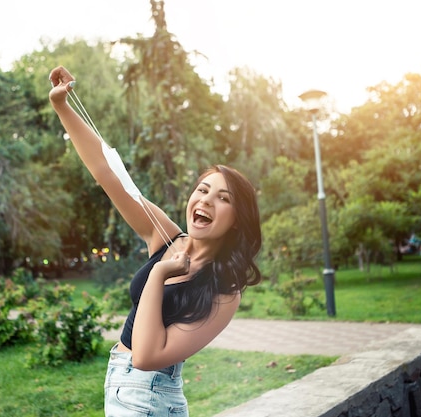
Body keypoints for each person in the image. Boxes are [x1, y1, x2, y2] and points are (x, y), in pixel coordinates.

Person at [49, 66, 262, 417]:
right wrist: (62, 106)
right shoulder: (166, 236)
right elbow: (110, 176)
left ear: (237, 220)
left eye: (224, 199)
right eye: (203, 190)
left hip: (147, 399)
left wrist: (160, 273)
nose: (206, 201)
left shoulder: (225, 289)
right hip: (123, 387)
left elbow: (148, 357)